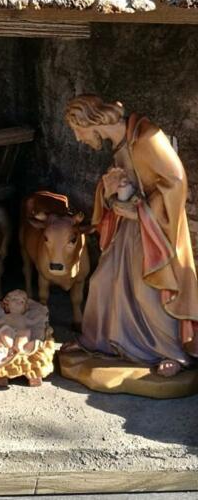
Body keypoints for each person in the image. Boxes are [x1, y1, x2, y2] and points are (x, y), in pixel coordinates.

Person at [62, 94, 198, 377]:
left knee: (149, 291)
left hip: (155, 228)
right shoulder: (120, 142)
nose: (78, 138)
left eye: (77, 130)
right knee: (102, 280)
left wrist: (142, 212)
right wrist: (108, 190)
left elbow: (176, 182)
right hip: (130, 226)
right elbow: (128, 183)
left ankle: (171, 352)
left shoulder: (146, 136)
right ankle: (98, 341)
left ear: (90, 122)